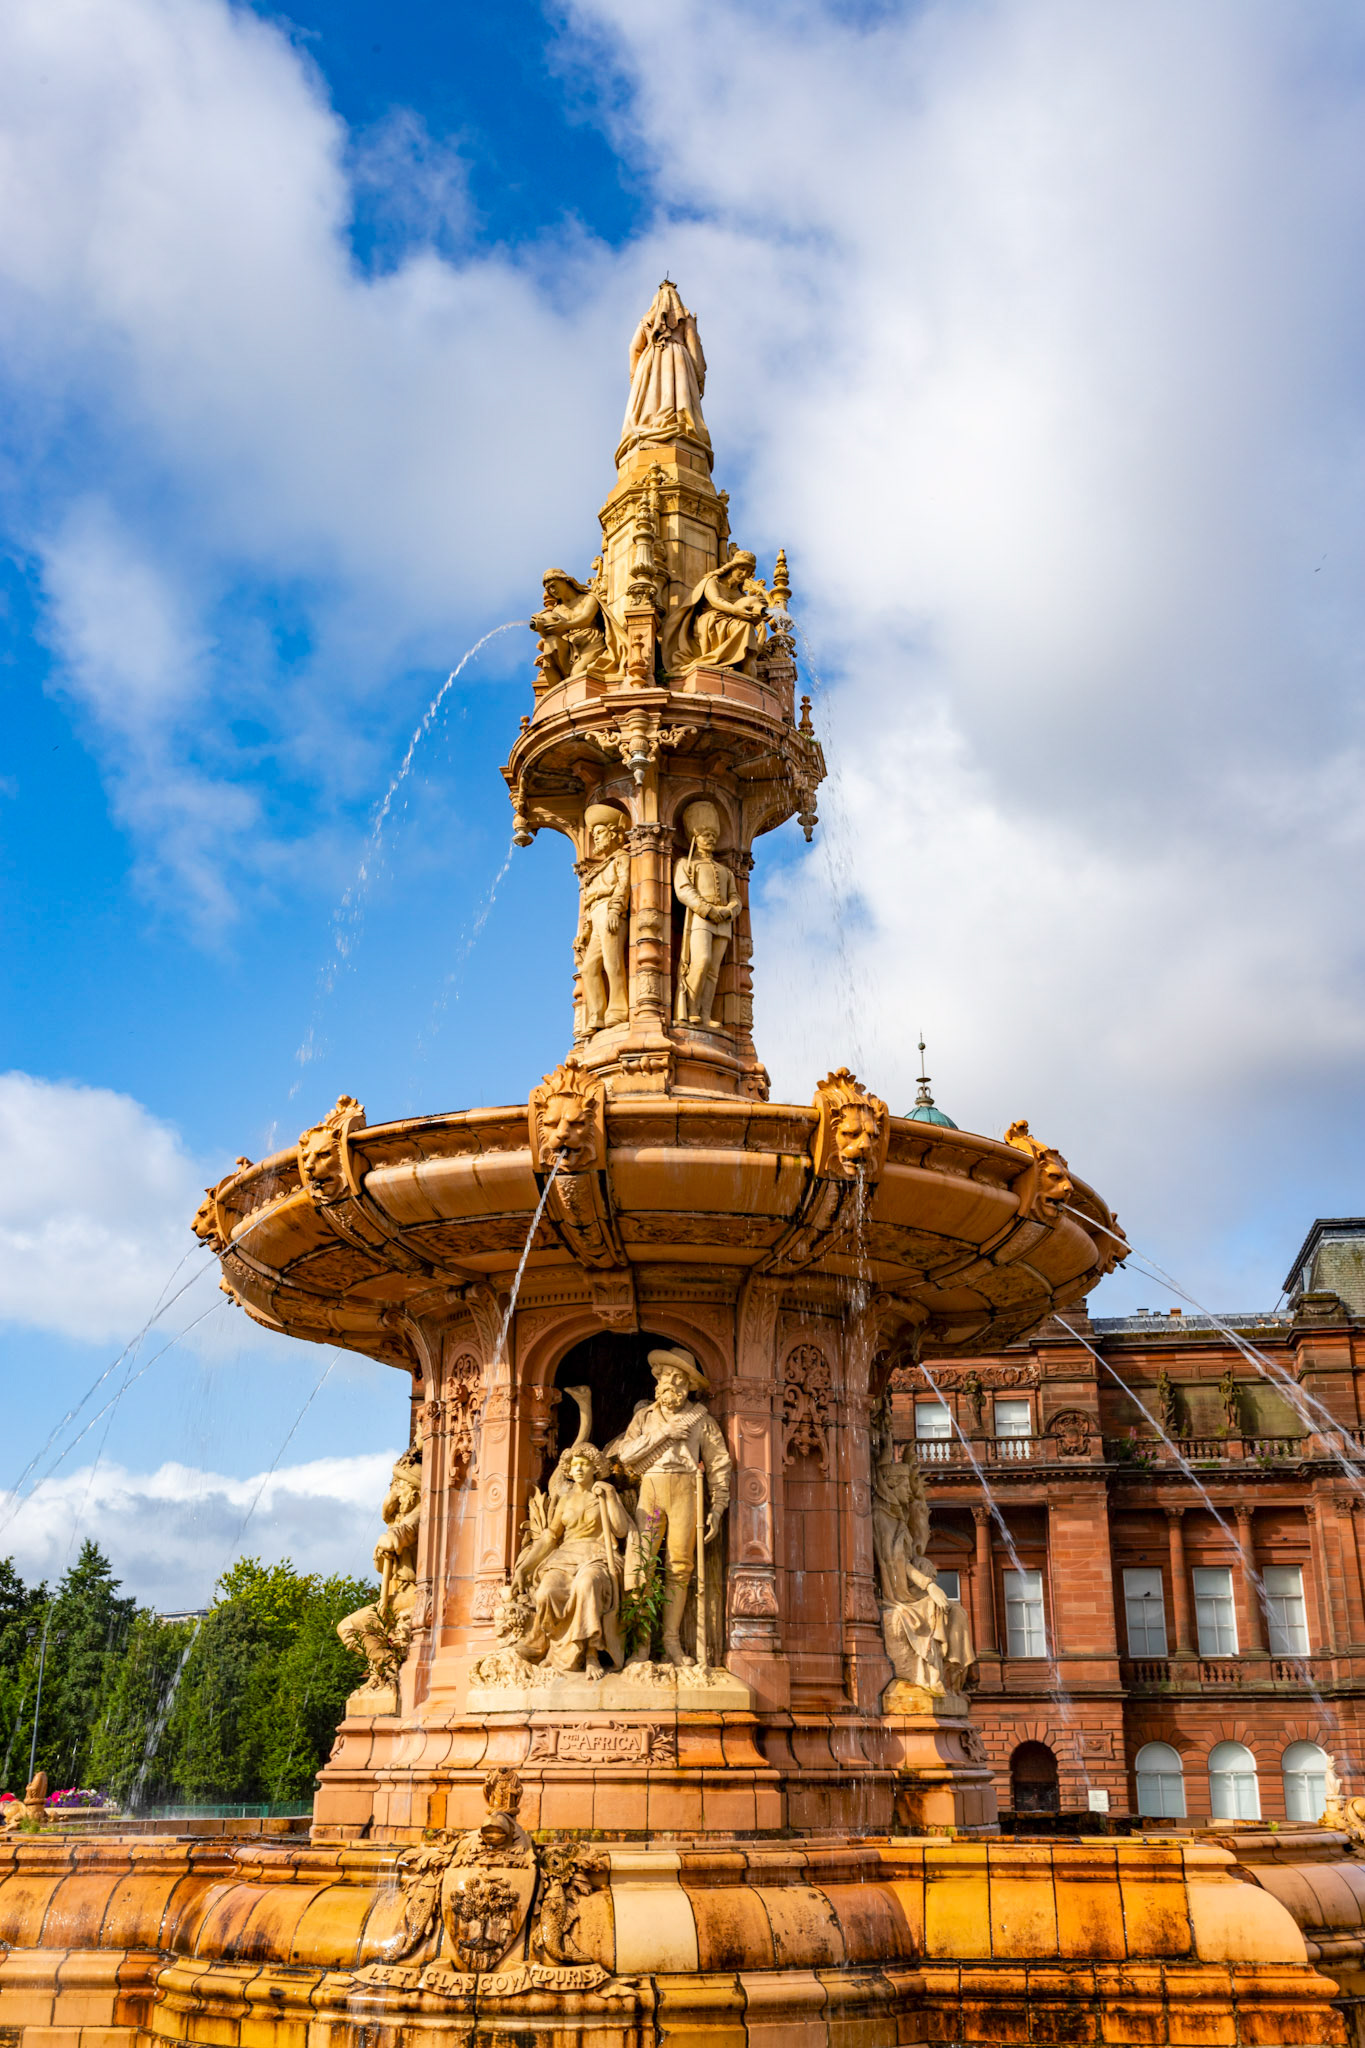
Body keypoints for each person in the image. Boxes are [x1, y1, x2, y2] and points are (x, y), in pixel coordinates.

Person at [614, 1345, 731, 1667]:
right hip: (651, 1489)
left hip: (686, 1490)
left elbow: (719, 1463)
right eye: (669, 1377)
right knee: (643, 1566)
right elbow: (625, 1454)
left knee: (680, 1567)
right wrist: (664, 1432)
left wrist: (718, 1506)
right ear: (659, 1379)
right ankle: (640, 1645)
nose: (674, 1384)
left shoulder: (701, 1419)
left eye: (681, 1379)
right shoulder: (645, 1417)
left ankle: (671, 1642)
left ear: (688, 1386)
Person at [511, 1444, 633, 1675]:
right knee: (547, 1591)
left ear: (595, 1467)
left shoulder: (604, 1493)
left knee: (586, 1584)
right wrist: (524, 1569)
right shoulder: (565, 1500)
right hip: (566, 1556)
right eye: (574, 1464)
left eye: (583, 1464)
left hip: (597, 1556)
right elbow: (550, 1537)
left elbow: (621, 1530)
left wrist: (609, 1496)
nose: (578, 1469)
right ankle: (551, 1649)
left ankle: (591, 1654)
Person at [673, 800, 740, 1030]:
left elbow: (736, 897)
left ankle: (705, 1013)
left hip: (723, 921)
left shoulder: (726, 870)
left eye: (713, 834)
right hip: (701, 918)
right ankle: (690, 1009)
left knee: (713, 971)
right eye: (704, 834)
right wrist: (706, 909)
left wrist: (729, 910)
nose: (710, 838)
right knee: (700, 962)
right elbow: (683, 890)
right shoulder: (686, 863)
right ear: (694, 837)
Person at [575, 804, 630, 1031]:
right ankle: (597, 1013)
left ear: (613, 833)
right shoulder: (597, 870)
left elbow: (624, 884)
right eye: (593, 834)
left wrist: (616, 909)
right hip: (596, 914)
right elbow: (587, 903)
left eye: (599, 833)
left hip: (609, 912)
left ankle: (618, 1008)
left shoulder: (621, 858)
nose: (595, 838)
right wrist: (585, 932)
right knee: (589, 968)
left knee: (612, 960)